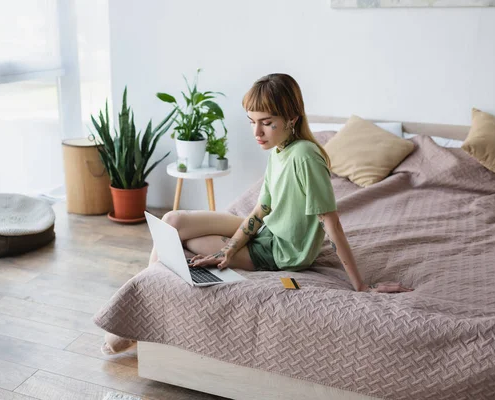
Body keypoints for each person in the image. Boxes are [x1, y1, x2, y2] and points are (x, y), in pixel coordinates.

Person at [102, 73, 413, 355]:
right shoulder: (279, 150)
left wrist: (360, 285)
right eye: (252, 121)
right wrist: (229, 247)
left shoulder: (305, 156)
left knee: (187, 246)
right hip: (267, 231)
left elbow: (330, 222)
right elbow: (261, 209)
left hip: (283, 250)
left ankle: (135, 325)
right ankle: (140, 304)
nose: (257, 131)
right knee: (172, 222)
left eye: (266, 122)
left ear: (291, 117)